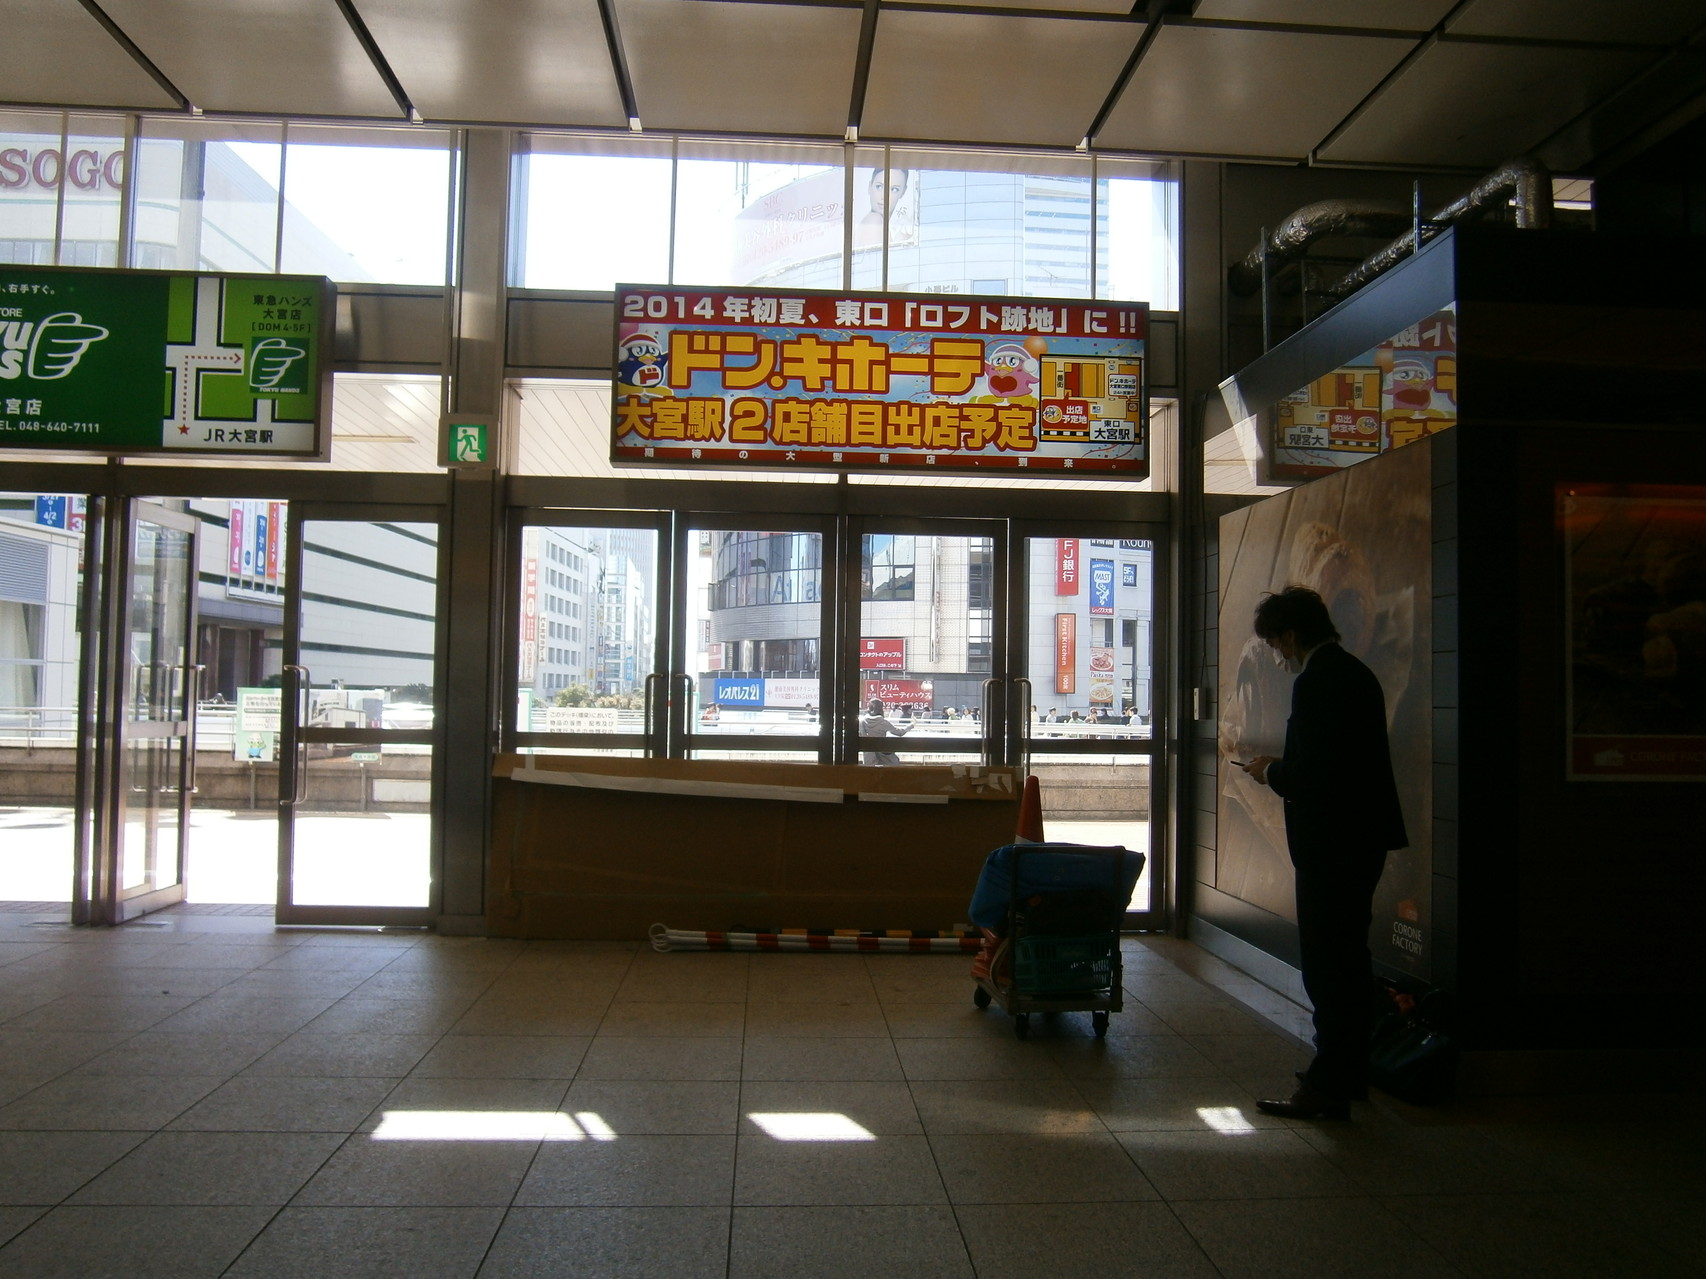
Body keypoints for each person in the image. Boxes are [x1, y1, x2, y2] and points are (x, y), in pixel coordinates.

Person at [1237, 586, 1407, 1121]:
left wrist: (1269, 771)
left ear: (1290, 634)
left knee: (1327, 966)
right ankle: (1347, 1070)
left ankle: (1328, 1086)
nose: (1277, 655)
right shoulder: (1357, 672)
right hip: (1363, 839)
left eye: (1276, 643)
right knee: (1350, 959)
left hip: (1332, 842)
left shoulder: (1317, 682)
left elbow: (1314, 775)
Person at [859, 697, 910, 766]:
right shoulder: (882, 722)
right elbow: (900, 733)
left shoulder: (862, 721)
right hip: (882, 753)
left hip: (868, 754)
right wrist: (911, 725)